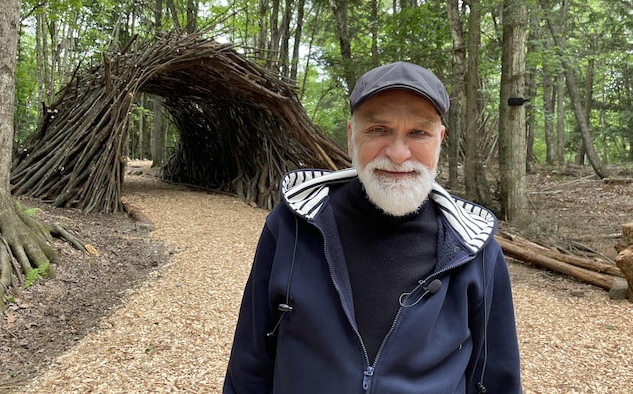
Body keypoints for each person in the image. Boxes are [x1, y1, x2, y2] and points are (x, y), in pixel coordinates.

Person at [223, 61, 522, 393]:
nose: (397, 154)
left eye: (418, 132)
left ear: (440, 139)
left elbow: (495, 381)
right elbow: (249, 365)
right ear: (352, 136)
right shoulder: (290, 228)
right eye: (378, 129)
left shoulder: (474, 251)